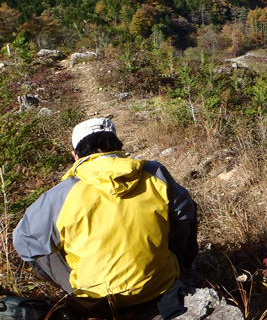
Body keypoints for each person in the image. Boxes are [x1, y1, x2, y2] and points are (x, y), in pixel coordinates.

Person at [13, 117, 198, 319]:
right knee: (183, 208)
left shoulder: (59, 196)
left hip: (97, 300)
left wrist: (70, 283)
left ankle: (80, 292)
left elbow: (24, 242)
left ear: (75, 155)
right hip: (158, 287)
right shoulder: (155, 173)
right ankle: (179, 269)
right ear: (118, 146)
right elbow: (184, 212)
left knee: (39, 244)